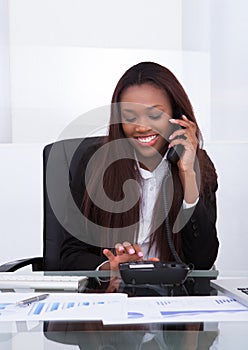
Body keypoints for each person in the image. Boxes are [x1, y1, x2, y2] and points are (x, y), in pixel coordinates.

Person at [60, 61, 219, 272]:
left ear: (177, 116)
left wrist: (187, 174)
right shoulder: (94, 162)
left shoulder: (199, 165)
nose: (142, 127)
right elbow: (69, 254)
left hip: (175, 296)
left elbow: (202, 261)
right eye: (129, 116)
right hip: (114, 294)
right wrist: (111, 266)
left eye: (154, 115)